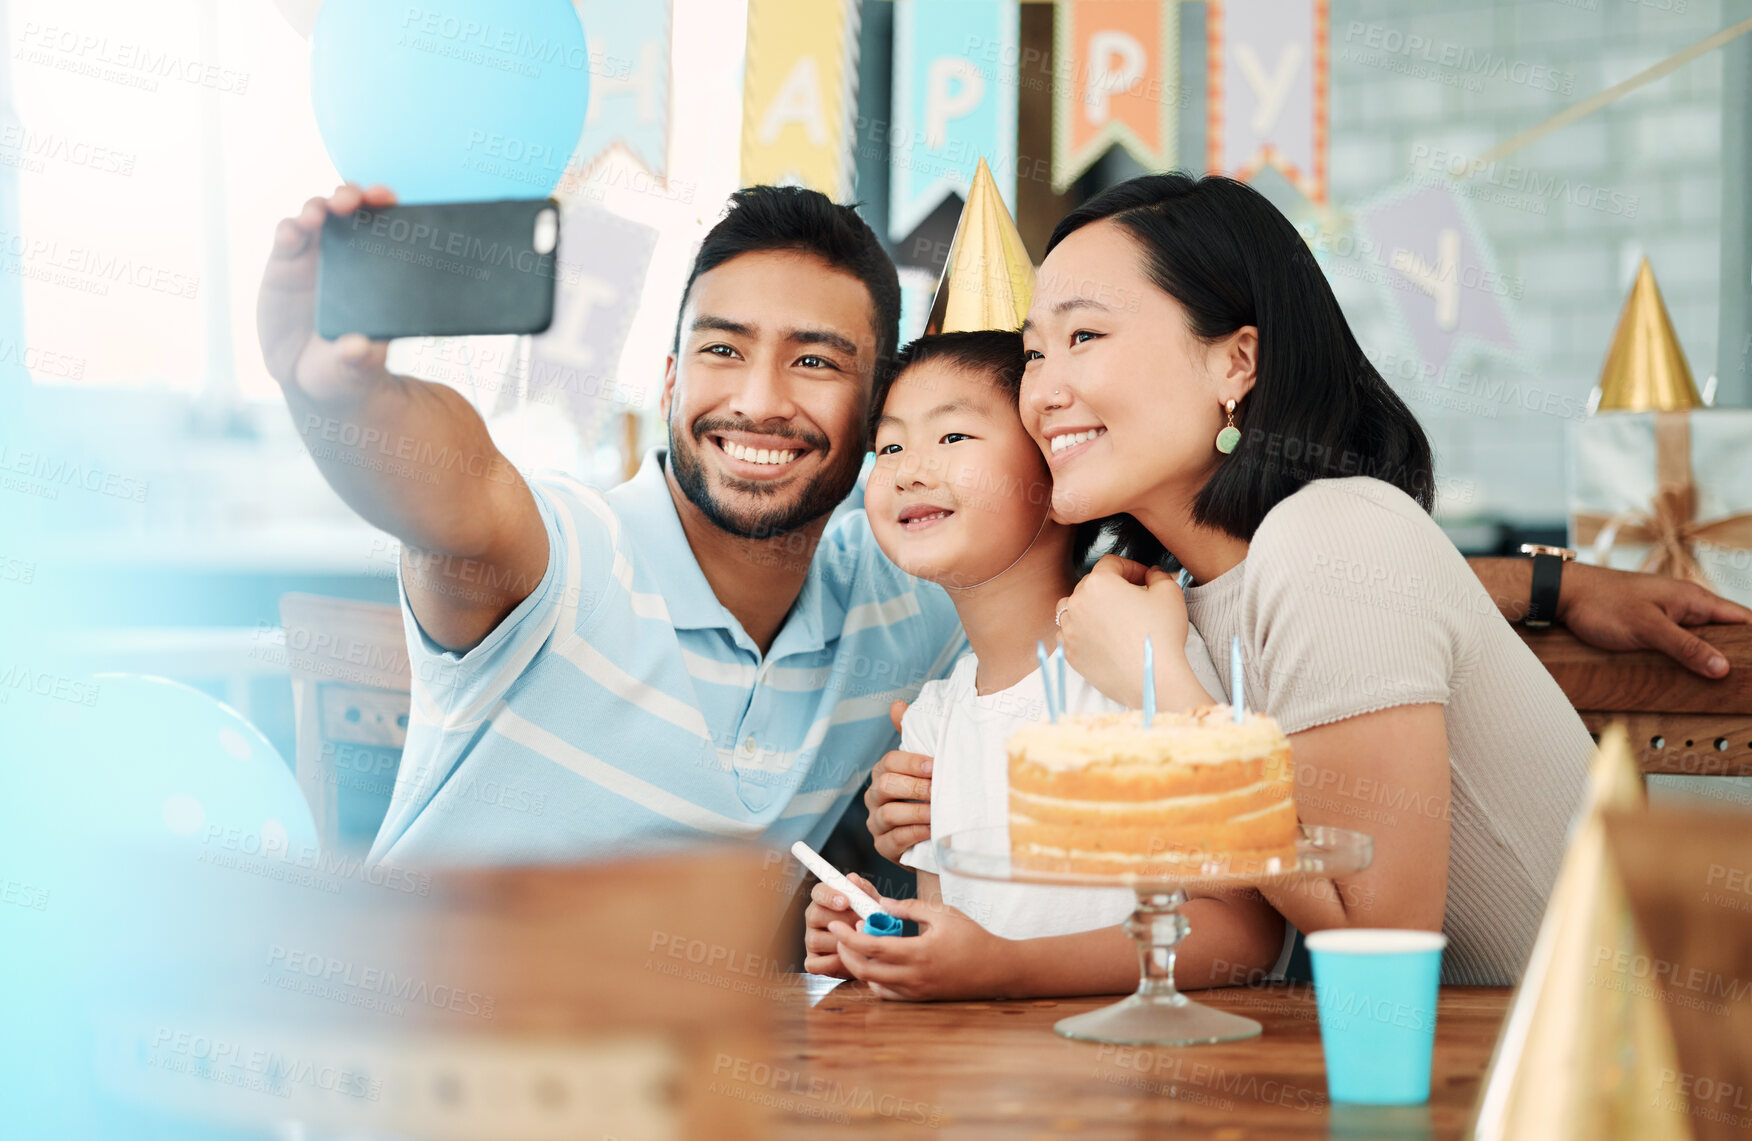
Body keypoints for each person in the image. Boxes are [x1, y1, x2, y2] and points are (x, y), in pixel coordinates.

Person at [259, 181, 1744, 870]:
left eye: (824, 365)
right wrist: (330, 389)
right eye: (720, 350)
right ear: (664, 378)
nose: (759, 401)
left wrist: (1553, 585)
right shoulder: (557, 554)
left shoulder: (904, 588)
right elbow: (444, 493)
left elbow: (1269, 571)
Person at [870, 173, 1752, 985]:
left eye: (1085, 336)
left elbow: (1375, 948)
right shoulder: (1220, 574)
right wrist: (1548, 586)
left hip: (1628, 1070)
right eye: (1033, 351)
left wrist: (1168, 693)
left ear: (1236, 363)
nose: (1044, 389)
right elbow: (1334, 605)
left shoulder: (1325, 539)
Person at [802, 331, 1286, 999]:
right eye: (889, 446)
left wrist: (1005, 965)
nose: (908, 469)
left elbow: (1240, 934)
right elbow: (957, 956)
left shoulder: (1136, 653)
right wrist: (879, 940)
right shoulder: (936, 721)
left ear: (1059, 470)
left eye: (953, 438)